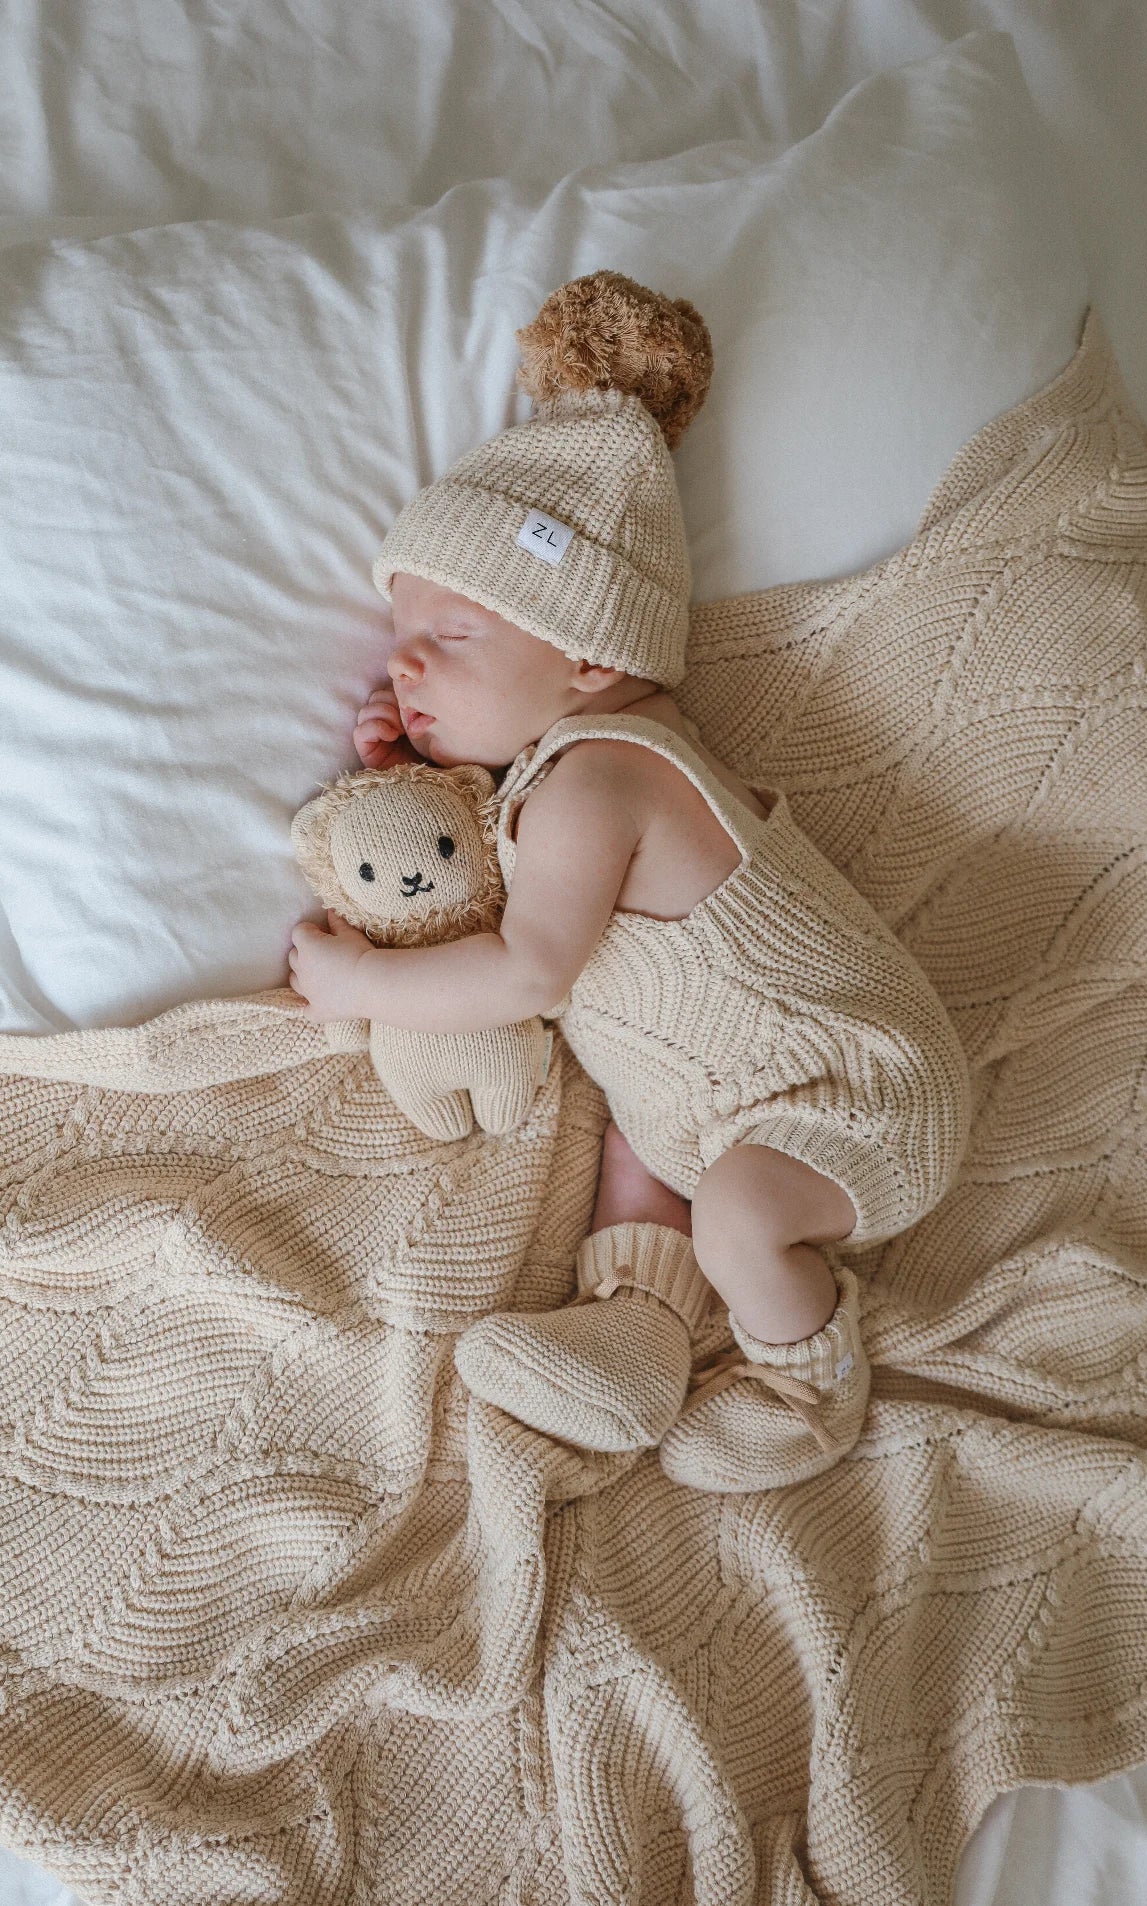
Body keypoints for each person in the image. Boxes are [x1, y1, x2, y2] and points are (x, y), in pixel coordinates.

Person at [288, 269, 970, 1492]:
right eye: (405, 641)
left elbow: (528, 966)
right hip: (709, 1099)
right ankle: (633, 1327)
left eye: (451, 640)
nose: (407, 664)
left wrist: (361, 982)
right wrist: (428, 766)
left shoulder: (605, 781)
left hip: (855, 1095)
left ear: (590, 654)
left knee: (738, 1212)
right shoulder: (565, 767)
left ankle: (806, 1384)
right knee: (637, 1150)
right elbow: (493, 870)